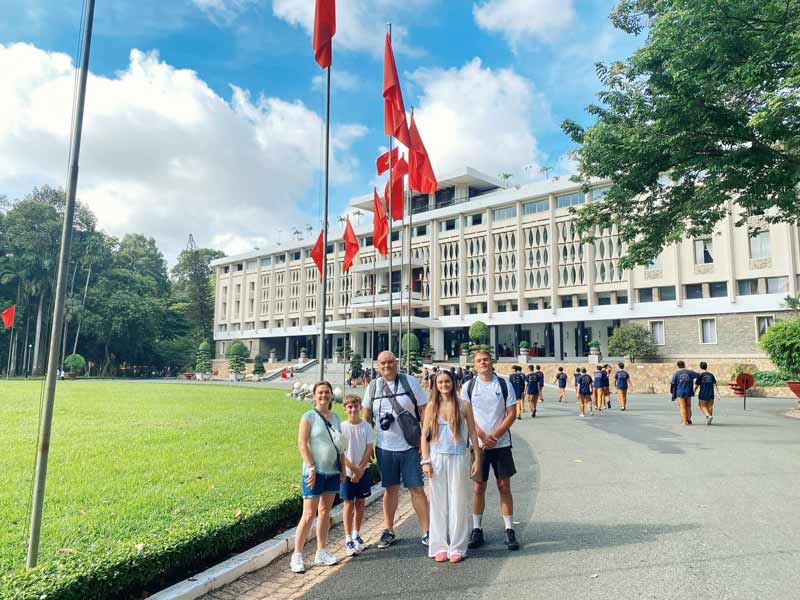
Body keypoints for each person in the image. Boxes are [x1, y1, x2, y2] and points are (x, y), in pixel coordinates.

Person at [364, 351, 430, 548]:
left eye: (390, 362)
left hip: (409, 446)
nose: (387, 366)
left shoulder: (409, 382)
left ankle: (427, 531)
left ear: (396, 363)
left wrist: (424, 441)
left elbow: (425, 410)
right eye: (383, 363)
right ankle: (388, 529)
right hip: (385, 447)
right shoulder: (373, 386)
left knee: (416, 489)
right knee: (390, 489)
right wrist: (367, 445)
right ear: (378, 366)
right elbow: (366, 415)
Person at [421, 369, 481, 563]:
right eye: (440, 383)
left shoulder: (464, 405)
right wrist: (426, 461)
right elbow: (424, 435)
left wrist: (477, 457)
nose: (444, 386)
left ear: (453, 383)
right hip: (437, 457)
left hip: (458, 457)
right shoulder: (432, 406)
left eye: (447, 382)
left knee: (458, 501)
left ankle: (457, 546)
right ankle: (439, 546)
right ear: (435, 385)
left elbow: (472, 432)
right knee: (438, 503)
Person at [462, 351, 520, 551]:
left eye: (485, 359)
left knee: (504, 486)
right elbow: (466, 415)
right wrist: (482, 436)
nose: (483, 363)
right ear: (474, 365)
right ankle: (477, 529)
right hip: (479, 445)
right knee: (479, 487)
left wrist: (494, 436)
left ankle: (509, 529)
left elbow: (512, 413)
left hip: (501, 443)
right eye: (479, 361)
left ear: (491, 362)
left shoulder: (503, 385)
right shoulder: (468, 387)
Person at [290, 382, 346, 573]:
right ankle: (297, 555)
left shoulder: (336, 417)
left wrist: (343, 469)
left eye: (327, 392)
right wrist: (311, 467)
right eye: (320, 393)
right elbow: (302, 443)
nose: (324, 395)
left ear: (331, 396)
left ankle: (321, 551)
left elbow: (340, 446)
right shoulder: (308, 417)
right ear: (314, 396)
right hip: (314, 472)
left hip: (332, 471)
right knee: (308, 515)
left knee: (325, 513)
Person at [340, 394, 374, 556]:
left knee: (361, 502)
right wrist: (354, 470)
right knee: (348, 504)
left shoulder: (366, 426)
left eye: (356, 406)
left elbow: (369, 449)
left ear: (360, 407)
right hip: (347, 472)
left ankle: (356, 534)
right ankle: (347, 539)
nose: (353, 410)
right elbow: (341, 452)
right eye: (350, 407)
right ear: (345, 409)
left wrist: (360, 470)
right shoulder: (342, 427)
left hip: (363, 470)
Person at [671, 360, 698, 425]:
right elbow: (699, 375)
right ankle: (688, 419)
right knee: (688, 405)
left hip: (680, 392)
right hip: (689, 391)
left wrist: (672, 392)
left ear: (678, 366)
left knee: (682, 406)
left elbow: (673, 383)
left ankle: (684, 421)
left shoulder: (676, 373)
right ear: (684, 365)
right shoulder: (690, 372)